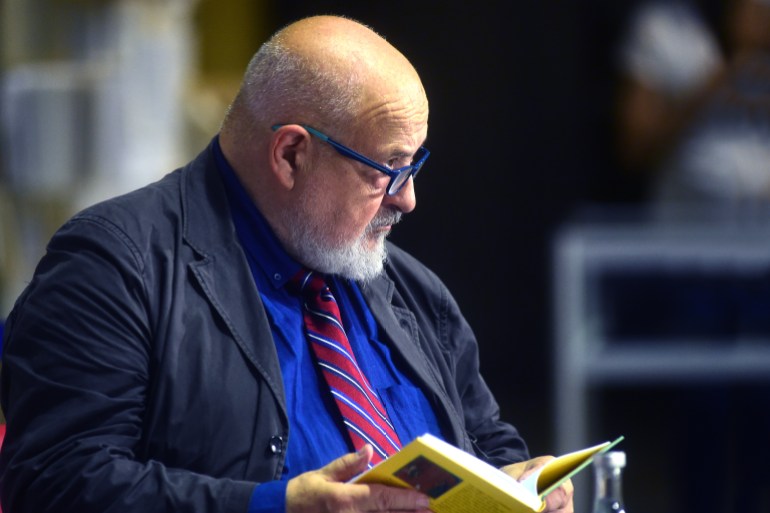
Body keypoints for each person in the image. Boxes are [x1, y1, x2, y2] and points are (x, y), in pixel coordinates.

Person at [0, 15, 574, 513]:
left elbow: (487, 441)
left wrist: (523, 484)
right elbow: (54, 484)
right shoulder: (114, 265)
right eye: (389, 169)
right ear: (292, 154)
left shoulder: (407, 286)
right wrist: (276, 507)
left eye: (416, 164)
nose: (408, 199)